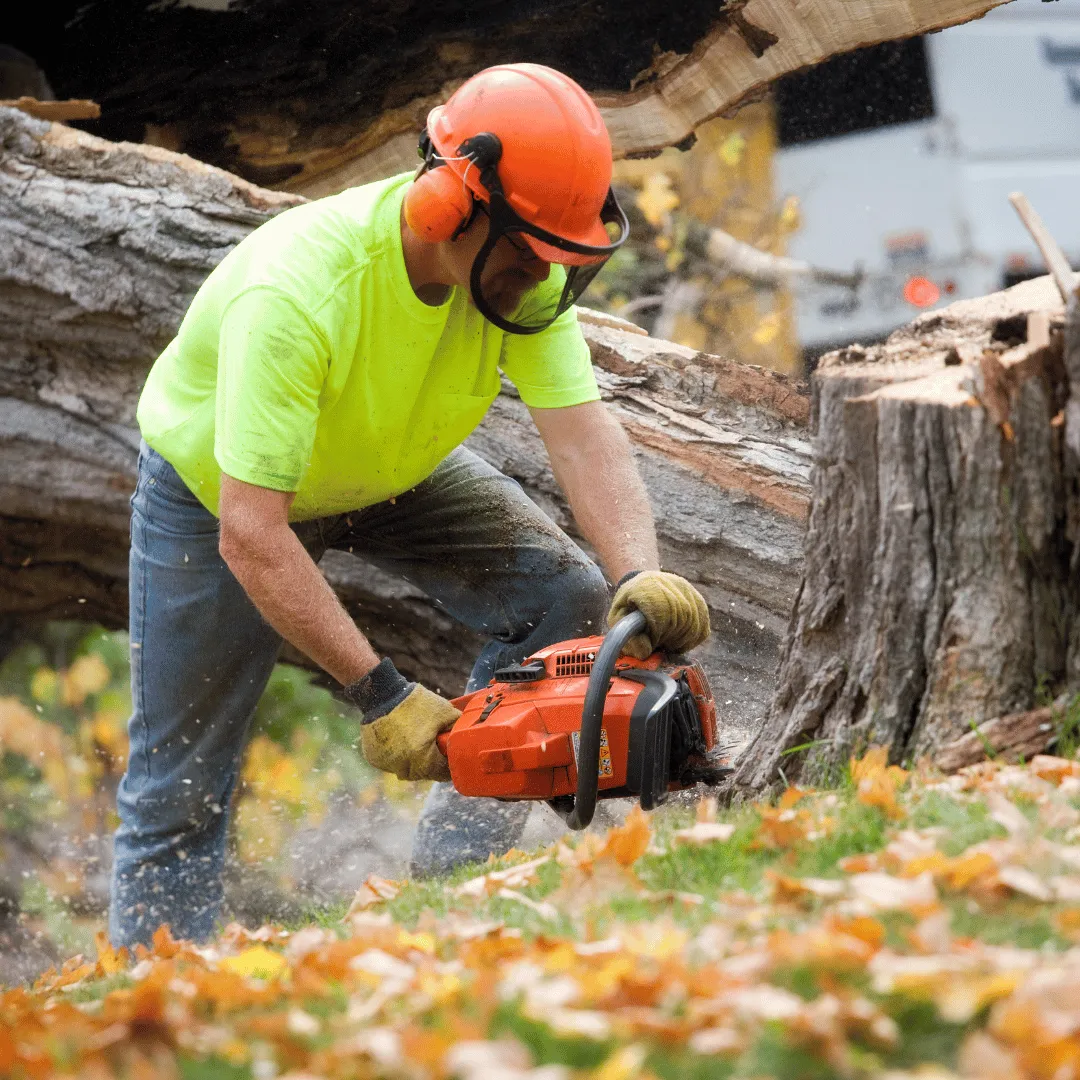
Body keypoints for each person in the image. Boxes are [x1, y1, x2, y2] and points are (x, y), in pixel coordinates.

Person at [108, 62, 710, 948]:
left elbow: (583, 435)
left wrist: (640, 574)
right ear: (447, 207)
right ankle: (150, 1002)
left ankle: (454, 898)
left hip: (388, 472)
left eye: (559, 256)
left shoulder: (523, 276)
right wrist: (382, 696)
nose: (543, 276)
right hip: (219, 498)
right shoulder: (299, 296)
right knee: (178, 788)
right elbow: (253, 533)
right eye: (529, 252)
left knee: (564, 596)